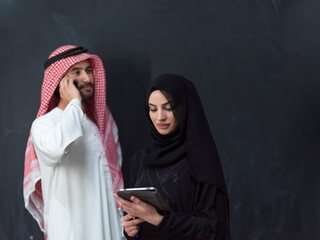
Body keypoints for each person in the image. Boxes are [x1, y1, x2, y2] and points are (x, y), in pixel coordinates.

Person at [114, 74, 231, 239]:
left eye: (168, 108)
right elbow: (136, 226)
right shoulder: (141, 160)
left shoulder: (201, 161)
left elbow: (212, 228)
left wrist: (157, 218)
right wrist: (131, 230)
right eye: (153, 109)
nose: (160, 117)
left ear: (185, 108)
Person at [23, 45, 123, 240]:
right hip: (71, 231)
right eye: (76, 72)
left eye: (88, 70)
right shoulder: (44, 124)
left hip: (107, 228)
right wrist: (74, 102)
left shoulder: (98, 126)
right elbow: (57, 149)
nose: (87, 78)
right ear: (60, 82)